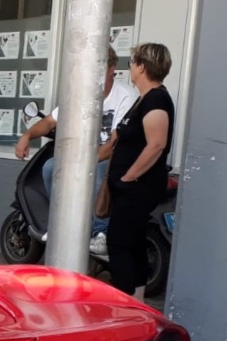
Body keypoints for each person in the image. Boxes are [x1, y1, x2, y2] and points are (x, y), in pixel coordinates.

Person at [15, 45, 136, 254]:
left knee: (100, 172)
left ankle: (101, 233)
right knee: (51, 167)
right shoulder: (80, 95)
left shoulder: (125, 95)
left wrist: (83, 162)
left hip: (114, 156)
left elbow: (115, 144)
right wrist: (27, 136)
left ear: (111, 68)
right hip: (85, 155)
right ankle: (65, 224)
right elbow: (50, 121)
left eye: (100, 66)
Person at [106, 43, 175, 302]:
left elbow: (156, 144)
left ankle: (124, 303)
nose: (130, 68)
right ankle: (137, 303)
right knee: (133, 243)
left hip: (137, 188)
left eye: (132, 63)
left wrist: (129, 176)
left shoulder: (157, 99)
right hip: (129, 188)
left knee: (119, 244)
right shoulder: (143, 99)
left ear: (142, 67)